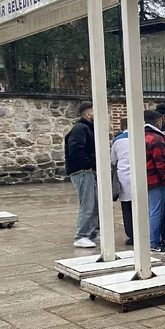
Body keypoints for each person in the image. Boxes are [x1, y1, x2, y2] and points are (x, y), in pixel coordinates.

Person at [65, 101, 99, 248]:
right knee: (87, 203)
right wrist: (87, 166)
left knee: (94, 203)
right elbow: (75, 149)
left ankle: (91, 233)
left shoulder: (87, 128)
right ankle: (81, 236)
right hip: (82, 171)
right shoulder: (80, 129)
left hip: (87, 170)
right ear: (88, 114)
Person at [144, 110, 165, 254]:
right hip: (155, 179)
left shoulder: (140, 136)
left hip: (143, 178)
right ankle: (154, 242)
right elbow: (161, 162)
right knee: (156, 211)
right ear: (158, 122)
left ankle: (151, 239)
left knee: (150, 211)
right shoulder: (157, 138)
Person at [111, 119, 133, 245]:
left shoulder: (117, 140)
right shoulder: (141, 137)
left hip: (123, 177)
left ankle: (131, 235)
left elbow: (113, 160)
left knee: (127, 208)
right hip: (140, 176)